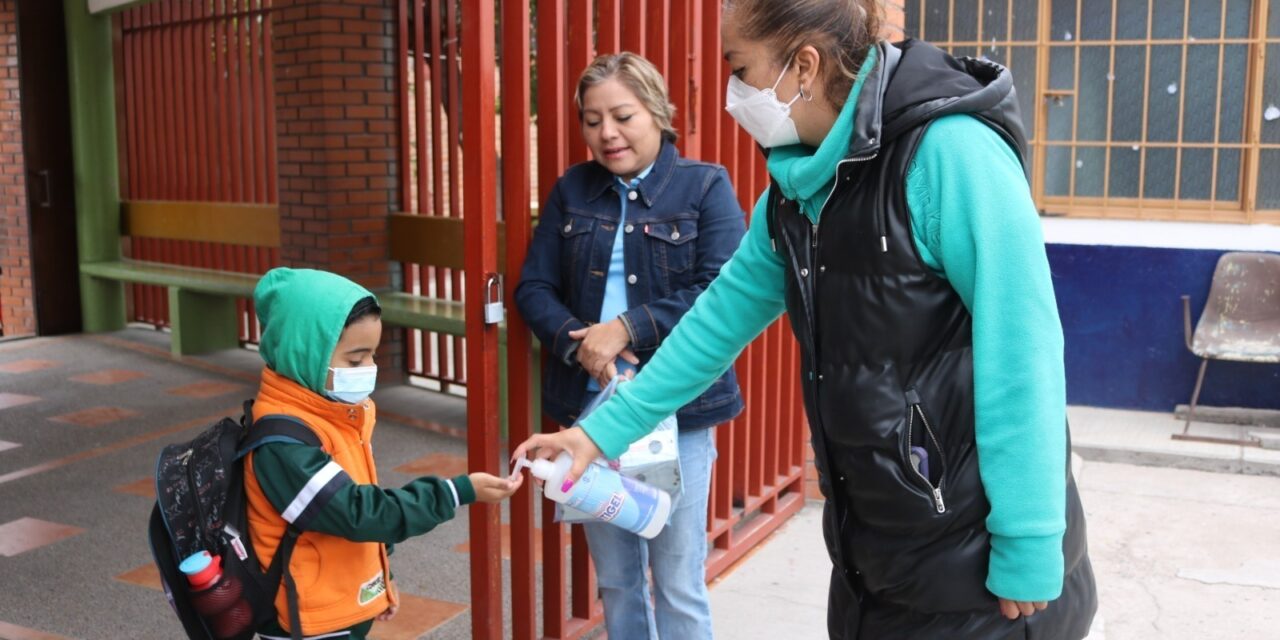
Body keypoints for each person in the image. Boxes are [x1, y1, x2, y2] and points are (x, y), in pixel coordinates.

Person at [513, 1, 1099, 638]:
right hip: (871, 547)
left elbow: (1024, 356)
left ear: (804, 66)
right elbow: (715, 324)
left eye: (740, 68)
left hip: (977, 559)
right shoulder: (797, 187)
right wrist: (596, 437)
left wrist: (1030, 540)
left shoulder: (951, 153)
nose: (733, 91)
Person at [514, 53, 747, 640]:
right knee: (617, 582)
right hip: (590, 414)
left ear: (658, 113)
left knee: (677, 581)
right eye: (592, 120)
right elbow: (534, 288)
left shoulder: (705, 185)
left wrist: (627, 326)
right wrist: (584, 346)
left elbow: (722, 290)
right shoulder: (574, 189)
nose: (606, 133)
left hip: (678, 412)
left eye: (622, 115)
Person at [245, 267, 521, 640]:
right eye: (356, 361)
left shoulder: (331, 414)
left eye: (372, 356)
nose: (369, 369)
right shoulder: (282, 443)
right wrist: (457, 491)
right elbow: (360, 513)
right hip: (306, 620)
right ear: (305, 353)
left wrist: (379, 583)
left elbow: (354, 510)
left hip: (338, 602)